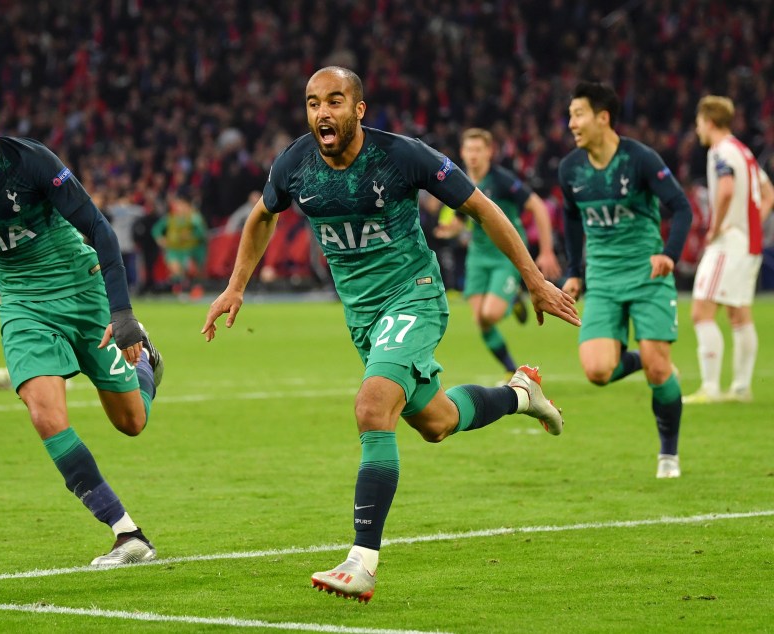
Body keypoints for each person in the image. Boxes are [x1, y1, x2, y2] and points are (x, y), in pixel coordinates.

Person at [202, 66, 580, 602]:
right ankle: (522, 394)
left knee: (371, 407)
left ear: (358, 109)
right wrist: (235, 286)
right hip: (363, 318)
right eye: (313, 103)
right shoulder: (294, 164)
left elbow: (481, 207)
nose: (322, 113)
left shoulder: (402, 156)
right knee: (437, 422)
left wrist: (535, 280)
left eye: (334, 101)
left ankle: (362, 561)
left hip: (415, 296)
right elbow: (263, 216)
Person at [0, 75, 164, 566]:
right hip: (23, 307)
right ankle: (127, 533)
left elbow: (98, 227)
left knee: (132, 423)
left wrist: (121, 314)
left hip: (82, 292)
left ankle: (147, 365)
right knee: (44, 414)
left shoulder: (30, 163)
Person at [559, 81, 693, 479]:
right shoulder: (570, 169)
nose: (571, 124)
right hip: (602, 280)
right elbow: (569, 216)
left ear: (603, 118)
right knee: (598, 372)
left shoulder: (640, 159)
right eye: (570, 116)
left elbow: (681, 207)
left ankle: (668, 454)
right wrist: (574, 271)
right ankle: (642, 359)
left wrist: (668, 254)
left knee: (658, 372)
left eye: (578, 114)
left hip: (647, 276)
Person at [435, 128, 562, 383]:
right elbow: (462, 218)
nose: (473, 155)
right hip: (478, 256)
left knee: (490, 314)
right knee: (480, 319)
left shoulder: (502, 180)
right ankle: (509, 369)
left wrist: (547, 251)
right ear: (462, 152)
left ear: (489, 153)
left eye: (478, 150)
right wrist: (451, 230)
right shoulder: (461, 182)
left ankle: (514, 296)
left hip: (506, 254)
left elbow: (537, 205)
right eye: (469, 149)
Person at [684, 96, 774, 404]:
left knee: (701, 311)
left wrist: (716, 227)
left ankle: (710, 388)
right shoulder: (745, 152)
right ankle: (740, 388)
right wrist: (752, 225)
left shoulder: (720, 151)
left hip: (729, 242)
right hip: (750, 243)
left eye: (698, 123)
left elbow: (724, 190)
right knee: (739, 314)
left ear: (708, 121)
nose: (697, 129)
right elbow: (769, 194)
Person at [151, 189, 208, 298]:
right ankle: (179, 291)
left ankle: (193, 289)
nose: (178, 207)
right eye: (177, 204)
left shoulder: (194, 217)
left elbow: (201, 233)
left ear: (187, 205)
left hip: (189, 250)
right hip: (173, 249)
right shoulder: (171, 218)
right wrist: (160, 238)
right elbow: (156, 229)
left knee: (191, 270)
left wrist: (191, 235)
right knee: (176, 270)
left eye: (181, 204)